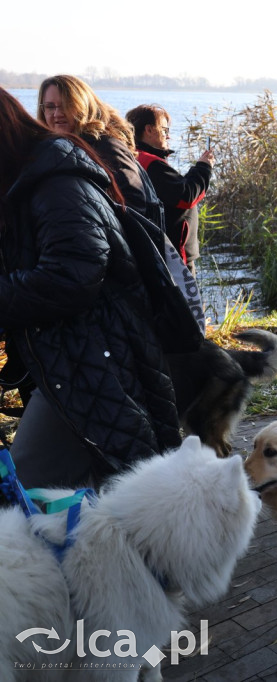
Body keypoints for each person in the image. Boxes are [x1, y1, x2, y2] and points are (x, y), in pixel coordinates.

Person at [0, 87, 181, 489]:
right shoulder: (31, 177)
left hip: (97, 356)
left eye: (61, 106)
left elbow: (72, 277)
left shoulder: (55, 180)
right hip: (69, 356)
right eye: (47, 107)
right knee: (103, 486)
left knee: (39, 483)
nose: (54, 114)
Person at [36, 75, 162, 225]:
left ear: (83, 105)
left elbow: (134, 205)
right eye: (50, 107)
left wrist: (95, 229)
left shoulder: (106, 146)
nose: (57, 113)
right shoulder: (52, 149)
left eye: (66, 105)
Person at [126, 103, 214, 273]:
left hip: (157, 252)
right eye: (165, 130)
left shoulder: (133, 157)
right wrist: (204, 168)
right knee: (185, 300)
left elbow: (175, 190)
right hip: (173, 257)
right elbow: (185, 196)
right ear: (149, 130)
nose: (168, 136)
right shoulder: (150, 163)